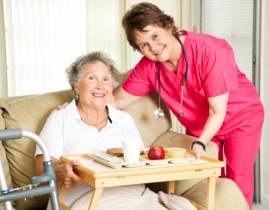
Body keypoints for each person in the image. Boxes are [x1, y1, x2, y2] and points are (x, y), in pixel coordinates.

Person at [111, 2, 264, 210]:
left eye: (155, 36)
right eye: (143, 45)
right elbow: (117, 101)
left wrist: (200, 143)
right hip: (201, 124)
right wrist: (75, 103)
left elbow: (217, 111)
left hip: (240, 117)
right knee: (202, 180)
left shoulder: (210, 51)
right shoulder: (148, 67)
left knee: (237, 179)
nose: (153, 48)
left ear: (167, 26)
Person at [34, 51, 196, 210]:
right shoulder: (60, 118)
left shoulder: (124, 120)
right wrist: (62, 171)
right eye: (92, 78)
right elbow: (41, 169)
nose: (100, 85)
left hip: (134, 195)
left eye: (106, 79)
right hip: (85, 200)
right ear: (76, 86)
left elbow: (141, 162)